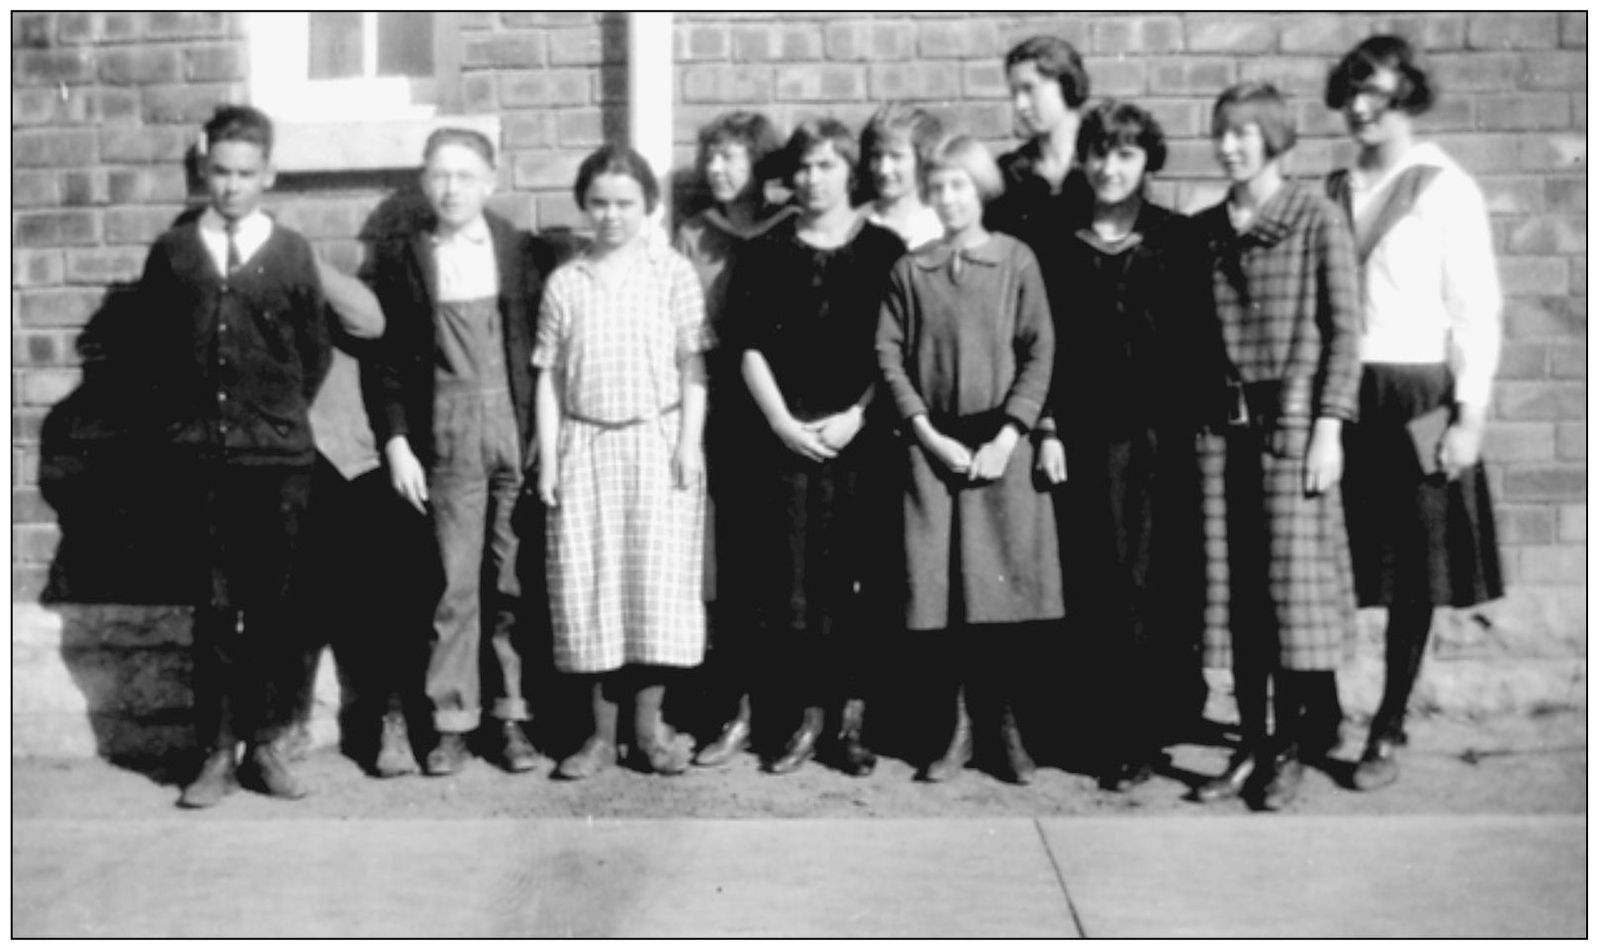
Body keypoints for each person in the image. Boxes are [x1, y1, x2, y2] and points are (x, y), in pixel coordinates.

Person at [132, 105, 331, 808]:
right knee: (213, 608)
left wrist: (269, 420)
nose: (232, 186)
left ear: (268, 175)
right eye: (220, 171)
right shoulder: (177, 253)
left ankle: (268, 743)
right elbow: (153, 355)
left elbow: (313, 354)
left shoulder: (292, 252)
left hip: (276, 464)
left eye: (246, 174)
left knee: (274, 607)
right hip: (202, 465)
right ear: (203, 169)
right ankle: (215, 749)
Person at [1324, 36, 1505, 790]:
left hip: (1421, 396)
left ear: (1407, 99)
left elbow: (1476, 310)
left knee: (1413, 568)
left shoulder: (1441, 187)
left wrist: (1467, 416)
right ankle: (1320, 710)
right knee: (1328, 556)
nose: (1362, 108)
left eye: (1379, 94)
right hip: (1342, 391)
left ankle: (1388, 723)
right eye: (1352, 92)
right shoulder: (1332, 187)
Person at [1190, 82, 1362, 811]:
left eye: (1243, 133)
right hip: (1220, 435)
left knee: (1291, 598)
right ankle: (1251, 744)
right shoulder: (1205, 228)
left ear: (1272, 137)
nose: (1230, 145)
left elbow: (1346, 331)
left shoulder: (1314, 216)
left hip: (1291, 433)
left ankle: (1287, 749)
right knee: (1241, 599)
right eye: (1220, 132)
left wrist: (1329, 425)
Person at [876, 135, 1061, 785]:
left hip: (999, 450)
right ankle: (952, 730)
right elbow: (889, 356)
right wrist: (927, 434)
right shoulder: (912, 268)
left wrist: (1011, 435)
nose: (950, 198)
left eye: (961, 185)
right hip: (936, 452)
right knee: (943, 599)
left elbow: (1039, 350)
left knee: (998, 598)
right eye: (939, 185)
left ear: (981, 190)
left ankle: (1004, 729)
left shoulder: (1015, 262)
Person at [371, 128, 557, 777]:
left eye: (464, 174)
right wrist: (396, 441)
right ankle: (452, 721)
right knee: (454, 584)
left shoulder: (518, 249)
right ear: (424, 183)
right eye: (438, 175)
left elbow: (544, 342)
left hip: (513, 424)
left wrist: (541, 437)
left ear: (490, 180)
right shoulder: (405, 258)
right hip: (445, 432)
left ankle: (511, 718)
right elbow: (387, 364)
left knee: (511, 580)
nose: (451, 188)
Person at [1039, 100, 1213, 790]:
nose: (1110, 168)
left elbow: (1198, 343)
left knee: (1149, 584)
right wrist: (1047, 425)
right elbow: (1040, 344)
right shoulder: (1055, 239)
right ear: (1082, 158)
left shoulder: (1176, 239)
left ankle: (1142, 730)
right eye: (1099, 152)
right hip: (1077, 438)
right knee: (1089, 580)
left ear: (1147, 161)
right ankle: (1093, 726)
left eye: (1126, 154)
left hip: (1155, 441)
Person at [725, 119, 907, 776]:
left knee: (855, 581)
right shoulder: (765, 250)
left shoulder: (884, 250)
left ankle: (849, 721)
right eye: (803, 166)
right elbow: (745, 344)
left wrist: (858, 415)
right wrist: (779, 420)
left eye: (827, 165)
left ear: (850, 172)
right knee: (794, 583)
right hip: (786, 443)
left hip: (860, 441)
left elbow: (896, 349)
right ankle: (802, 715)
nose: (811, 177)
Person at [533, 144, 711, 779]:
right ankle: (599, 737)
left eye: (625, 203)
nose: (611, 216)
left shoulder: (672, 274)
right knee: (591, 590)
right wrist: (550, 461)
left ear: (649, 207)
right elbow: (549, 379)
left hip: (656, 442)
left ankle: (649, 728)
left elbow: (694, 367)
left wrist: (688, 445)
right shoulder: (566, 282)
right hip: (585, 446)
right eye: (600, 203)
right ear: (584, 206)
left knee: (652, 592)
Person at [673, 111, 796, 768]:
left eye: (732, 157)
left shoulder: (789, 227)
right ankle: (733, 709)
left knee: (784, 567)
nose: (716, 169)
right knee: (727, 572)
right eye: (710, 156)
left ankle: (784, 709)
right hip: (717, 410)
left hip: (781, 408)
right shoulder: (693, 235)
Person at [285, 261, 435, 778]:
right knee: (290, 597)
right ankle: (287, 720)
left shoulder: (302, 273)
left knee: (388, 588)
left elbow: (369, 320)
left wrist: (300, 257)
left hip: (355, 458)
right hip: (285, 459)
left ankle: (391, 718)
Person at [985, 35, 1094, 256]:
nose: (1020, 105)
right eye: (1015, 93)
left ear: (1066, 84)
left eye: (1029, 89)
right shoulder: (1010, 173)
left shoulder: (1104, 163)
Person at [859, 102, 944, 250]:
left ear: (923, 159)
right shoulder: (856, 224)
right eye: (876, 156)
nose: (883, 169)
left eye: (896, 156)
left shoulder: (941, 226)